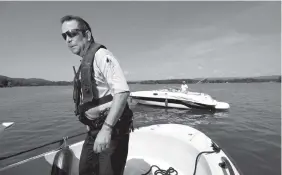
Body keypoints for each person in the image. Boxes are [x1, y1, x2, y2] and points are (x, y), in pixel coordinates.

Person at [60, 15, 134, 175]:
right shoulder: (86, 61)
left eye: (72, 33)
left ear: (87, 35)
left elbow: (122, 93)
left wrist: (106, 130)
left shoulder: (101, 55)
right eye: (64, 36)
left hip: (112, 130)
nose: (68, 39)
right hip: (94, 130)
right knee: (86, 170)